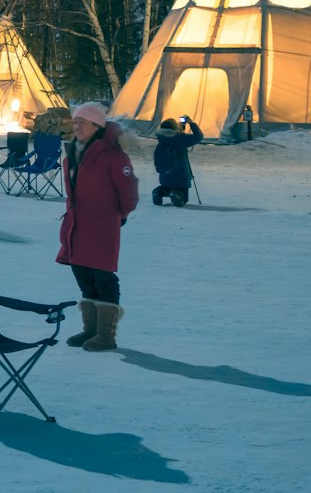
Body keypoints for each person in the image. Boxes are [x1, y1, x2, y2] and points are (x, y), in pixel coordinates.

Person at [58, 101, 139, 352]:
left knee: (103, 277)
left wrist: (118, 214)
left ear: (96, 125)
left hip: (102, 225)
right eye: (75, 122)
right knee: (83, 275)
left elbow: (129, 191)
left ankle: (106, 335)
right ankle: (90, 329)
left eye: (82, 122)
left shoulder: (113, 156)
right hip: (76, 225)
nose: (77, 126)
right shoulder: (73, 153)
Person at [151, 116, 204, 206]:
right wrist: (191, 123)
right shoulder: (180, 139)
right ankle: (177, 194)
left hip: (165, 176)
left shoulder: (161, 139)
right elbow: (198, 137)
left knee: (165, 188)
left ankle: (158, 192)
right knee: (184, 196)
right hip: (180, 176)